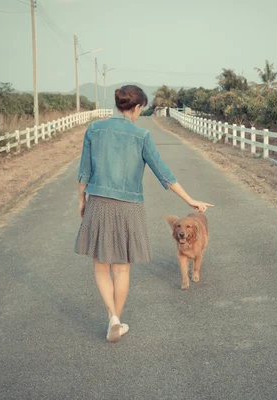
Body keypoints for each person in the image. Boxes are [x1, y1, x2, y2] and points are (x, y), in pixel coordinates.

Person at [74, 85, 213, 343]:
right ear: (137, 108)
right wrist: (191, 200)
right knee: (122, 269)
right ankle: (116, 320)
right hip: (129, 207)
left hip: (99, 202)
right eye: (141, 109)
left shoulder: (94, 129)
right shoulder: (142, 135)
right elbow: (165, 174)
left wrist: (82, 200)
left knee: (101, 266)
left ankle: (113, 318)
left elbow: (84, 169)